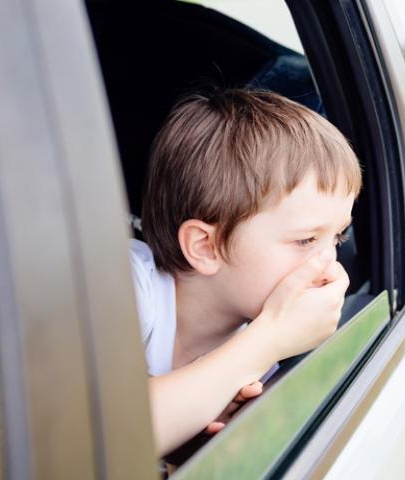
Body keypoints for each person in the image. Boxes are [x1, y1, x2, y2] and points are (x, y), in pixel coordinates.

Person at [131, 89, 361, 456]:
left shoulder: (259, 345)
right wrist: (269, 339)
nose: (330, 266)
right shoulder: (127, 288)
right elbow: (101, 437)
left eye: (338, 236)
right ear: (206, 246)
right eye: (305, 241)